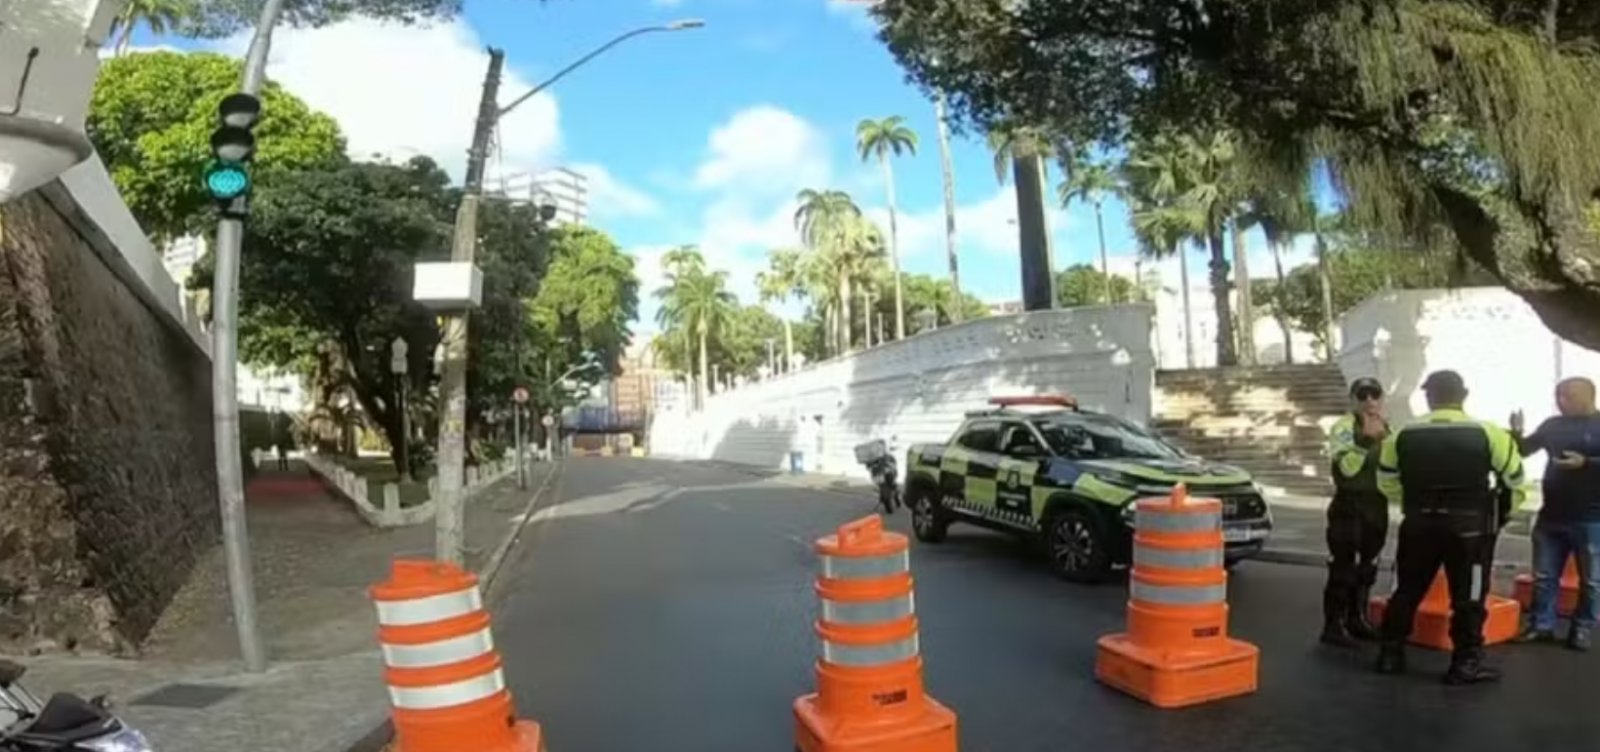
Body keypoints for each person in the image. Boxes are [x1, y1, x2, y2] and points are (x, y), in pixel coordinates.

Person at [1374, 370, 1526, 684]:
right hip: (1470, 529)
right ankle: (1466, 663)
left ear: (1428, 397)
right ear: (1464, 394)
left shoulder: (1402, 434)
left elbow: (1386, 480)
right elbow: (1515, 479)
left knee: (1407, 590)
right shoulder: (1490, 432)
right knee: (1469, 595)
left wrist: (1413, 504)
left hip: (1418, 524)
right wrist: (1506, 510)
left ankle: (1390, 654)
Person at [1510, 376, 1600, 651]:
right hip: (1551, 515)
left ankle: (1582, 627)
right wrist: (1516, 433)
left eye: (1568, 396)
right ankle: (1541, 625)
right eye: (1558, 396)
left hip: (1592, 517)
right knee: (1544, 576)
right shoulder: (1552, 425)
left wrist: (1586, 463)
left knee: (1592, 580)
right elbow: (1524, 450)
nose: (1561, 402)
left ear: (1588, 396)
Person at [1320, 377, 1391, 647]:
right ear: (1353, 400)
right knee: (1343, 567)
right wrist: (1364, 442)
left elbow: (1393, 468)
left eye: (1375, 394)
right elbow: (1346, 471)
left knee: (1368, 565)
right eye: (1363, 396)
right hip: (1349, 504)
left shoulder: (1387, 428)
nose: (1370, 401)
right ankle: (1333, 625)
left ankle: (1357, 618)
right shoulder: (1344, 427)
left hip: (1376, 503)